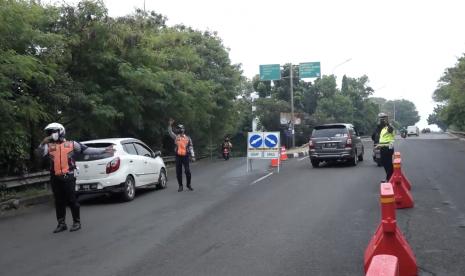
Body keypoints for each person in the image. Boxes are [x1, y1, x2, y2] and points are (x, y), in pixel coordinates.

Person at [37, 123, 114, 233]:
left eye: (52, 132)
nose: (50, 135)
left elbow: (87, 150)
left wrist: (104, 150)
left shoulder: (72, 144)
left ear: (60, 132)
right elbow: (39, 154)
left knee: (72, 200)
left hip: (68, 176)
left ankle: (76, 222)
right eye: (49, 133)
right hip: (55, 177)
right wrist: (43, 142)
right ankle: (61, 223)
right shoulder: (49, 146)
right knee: (58, 201)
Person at [168, 119, 195, 192]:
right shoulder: (176, 137)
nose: (179, 130)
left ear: (183, 129)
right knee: (178, 172)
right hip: (178, 156)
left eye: (181, 128)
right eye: (179, 128)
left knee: (187, 171)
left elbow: (191, 147)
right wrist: (170, 125)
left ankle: (188, 184)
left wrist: (192, 156)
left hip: (185, 156)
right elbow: (170, 132)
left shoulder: (188, 138)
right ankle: (180, 186)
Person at [373, 113, 395, 181]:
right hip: (383, 147)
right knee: (384, 163)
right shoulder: (382, 129)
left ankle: (390, 179)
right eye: (381, 119)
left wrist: (387, 122)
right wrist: (378, 145)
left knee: (388, 164)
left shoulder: (389, 128)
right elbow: (382, 140)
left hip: (388, 148)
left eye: (383, 119)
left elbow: (390, 131)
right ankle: (389, 178)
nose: (382, 121)